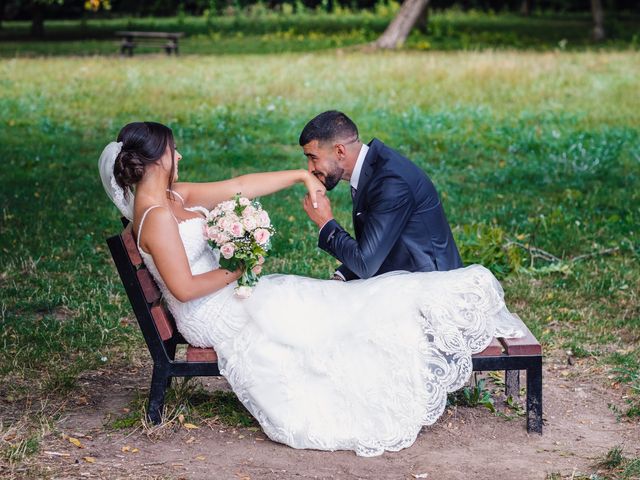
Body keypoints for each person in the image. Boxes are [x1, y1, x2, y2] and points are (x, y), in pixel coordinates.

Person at [99, 121, 523, 457]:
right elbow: (186, 288)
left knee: (320, 301)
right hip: (210, 311)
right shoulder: (155, 216)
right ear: (156, 159)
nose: (180, 155)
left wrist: (300, 176)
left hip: (230, 294)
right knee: (314, 307)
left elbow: (241, 184)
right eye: (174, 149)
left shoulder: (176, 195)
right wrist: (240, 268)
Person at [300, 110, 463, 281]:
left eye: (313, 158)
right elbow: (380, 243)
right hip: (402, 273)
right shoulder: (371, 169)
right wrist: (343, 274)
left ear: (340, 151)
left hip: (430, 285)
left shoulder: (391, 183)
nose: (310, 168)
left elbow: (365, 264)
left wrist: (325, 222)